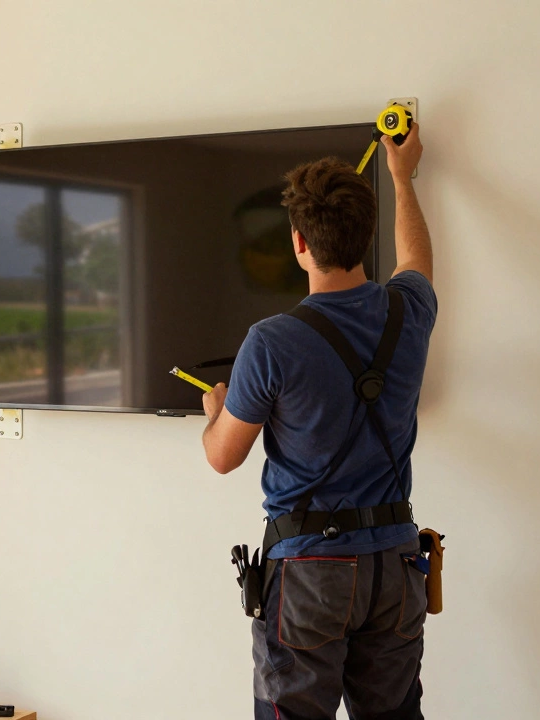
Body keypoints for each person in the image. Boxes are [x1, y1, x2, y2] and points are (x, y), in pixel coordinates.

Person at [200, 124, 435, 720]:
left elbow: (222, 456)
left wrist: (216, 414)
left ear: (299, 243)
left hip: (310, 571)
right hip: (396, 562)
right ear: (365, 237)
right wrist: (403, 179)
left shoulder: (271, 342)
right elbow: (416, 261)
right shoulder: (409, 311)